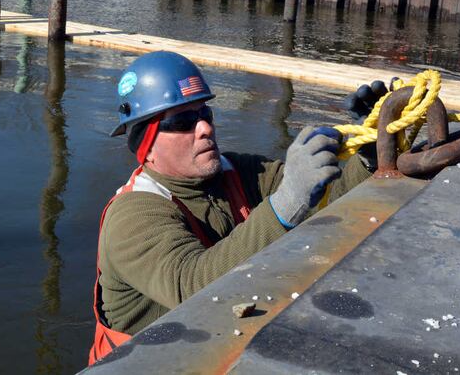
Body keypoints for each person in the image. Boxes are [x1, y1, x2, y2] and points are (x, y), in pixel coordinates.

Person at [89, 51, 378, 364]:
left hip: (215, 350)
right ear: (146, 144)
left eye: (206, 114)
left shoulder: (239, 172)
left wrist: (371, 154)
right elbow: (194, 287)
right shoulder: (133, 216)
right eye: (183, 121)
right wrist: (286, 205)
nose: (204, 128)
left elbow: (328, 196)